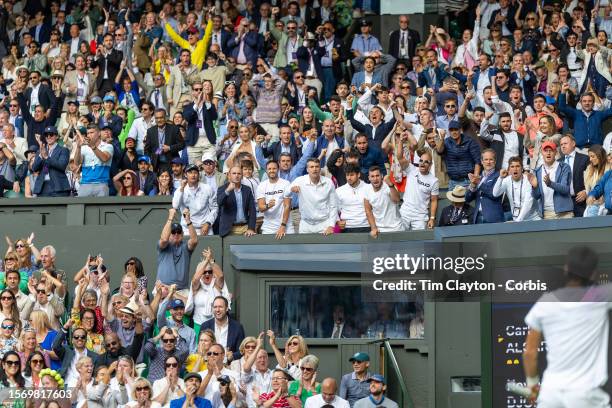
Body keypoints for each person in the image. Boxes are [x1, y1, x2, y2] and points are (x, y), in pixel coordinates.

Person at [522, 247, 611, 407]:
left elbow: (529, 353)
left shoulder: (545, 303)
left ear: (566, 268)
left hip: (550, 395)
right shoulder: (602, 296)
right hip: (585, 395)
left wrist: (533, 387)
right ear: (593, 273)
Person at [284, 158, 338, 235]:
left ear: (320, 168)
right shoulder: (300, 180)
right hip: (305, 225)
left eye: (317, 166)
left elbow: (333, 206)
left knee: (326, 247)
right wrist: (291, 189)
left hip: (324, 224)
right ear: (307, 169)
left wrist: (331, 226)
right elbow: (285, 193)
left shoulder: (329, 182)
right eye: (311, 167)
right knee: (304, 247)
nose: (314, 169)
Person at [156, 208, 198, 292]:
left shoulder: (185, 247)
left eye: (178, 232)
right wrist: (170, 217)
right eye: (173, 231)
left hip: (181, 290)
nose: (176, 234)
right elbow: (164, 239)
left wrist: (188, 220)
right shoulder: (164, 245)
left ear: (182, 234)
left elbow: (194, 241)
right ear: (169, 233)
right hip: (163, 289)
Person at [529, 141, 574, 220]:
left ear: (556, 152)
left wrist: (550, 184)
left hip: (564, 213)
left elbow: (565, 189)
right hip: (547, 213)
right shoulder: (537, 171)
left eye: (551, 150)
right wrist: (535, 187)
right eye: (545, 151)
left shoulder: (564, 167)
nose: (548, 153)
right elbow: (536, 196)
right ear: (541, 153)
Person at [172, 164, 218, 236]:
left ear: (198, 175)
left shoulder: (207, 188)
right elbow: (175, 206)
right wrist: (181, 188)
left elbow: (214, 208)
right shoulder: (180, 189)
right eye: (190, 172)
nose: (193, 175)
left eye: (195, 172)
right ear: (185, 175)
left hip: (205, 228)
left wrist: (208, 223)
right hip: (187, 228)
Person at [400, 151, 439, 230]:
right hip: (404, 213)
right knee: (400, 238)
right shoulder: (411, 169)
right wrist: (401, 141)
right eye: (421, 161)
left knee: (420, 240)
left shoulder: (434, 181)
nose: (422, 163)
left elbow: (434, 200)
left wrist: (432, 218)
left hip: (420, 216)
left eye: (426, 162)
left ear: (430, 165)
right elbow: (399, 157)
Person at [493, 157, 540, 222]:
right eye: (512, 166)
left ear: (522, 168)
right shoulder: (506, 180)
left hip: (532, 219)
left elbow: (528, 203)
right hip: (517, 220)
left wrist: (518, 221)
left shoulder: (528, 179)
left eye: (517, 166)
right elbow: (495, 193)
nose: (515, 169)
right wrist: (500, 178)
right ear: (509, 169)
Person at [199, 296, 245, 363]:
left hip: (230, 365)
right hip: (209, 364)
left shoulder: (237, 327)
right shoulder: (205, 326)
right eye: (215, 307)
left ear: (226, 308)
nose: (217, 310)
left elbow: (241, 350)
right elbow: (200, 347)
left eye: (220, 307)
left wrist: (232, 356)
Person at [465, 149, 504, 224]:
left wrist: (479, 183)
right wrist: (473, 185)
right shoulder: (479, 177)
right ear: (482, 162)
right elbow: (467, 199)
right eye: (486, 159)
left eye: (491, 159)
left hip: (493, 218)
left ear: (495, 161)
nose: (488, 162)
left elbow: (494, 194)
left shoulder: (500, 176)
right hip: (478, 218)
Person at [217, 166, 257, 237]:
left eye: (239, 173)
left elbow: (252, 210)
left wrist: (251, 228)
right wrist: (228, 190)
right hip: (229, 229)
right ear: (229, 175)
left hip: (245, 228)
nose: (236, 176)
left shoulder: (247, 190)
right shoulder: (222, 189)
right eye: (234, 173)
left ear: (242, 176)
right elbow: (219, 203)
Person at [257, 160, 294, 236]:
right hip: (268, 227)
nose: (271, 171)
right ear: (266, 170)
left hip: (286, 225)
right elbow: (260, 207)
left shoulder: (286, 183)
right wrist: (268, 206)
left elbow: (287, 206)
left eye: (274, 168)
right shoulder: (262, 185)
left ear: (278, 169)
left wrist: (283, 225)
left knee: (290, 248)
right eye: (269, 169)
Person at [74, 125, 113, 197]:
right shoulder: (84, 148)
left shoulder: (108, 146)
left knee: (101, 208)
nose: (89, 135)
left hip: (101, 184)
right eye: (88, 133)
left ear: (99, 134)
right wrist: (78, 148)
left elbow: (104, 158)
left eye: (91, 132)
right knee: (81, 207)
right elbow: (77, 163)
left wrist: (93, 146)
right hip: (85, 184)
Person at [364, 166, 403, 238]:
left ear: (381, 176)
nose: (375, 179)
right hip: (380, 230)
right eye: (372, 176)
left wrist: (390, 185)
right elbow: (368, 210)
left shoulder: (389, 186)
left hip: (396, 228)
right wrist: (373, 228)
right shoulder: (367, 190)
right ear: (369, 178)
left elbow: (397, 200)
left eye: (377, 176)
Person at [31, 126, 70, 197]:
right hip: (42, 187)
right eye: (46, 135)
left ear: (57, 136)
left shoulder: (63, 150)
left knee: (59, 208)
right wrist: (41, 156)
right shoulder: (40, 150)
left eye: (51, 134)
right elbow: (34, 168)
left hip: (58, 186)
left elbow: (62, 166)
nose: (48, 137)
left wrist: (46, 157)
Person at [559, 134, 589, 217]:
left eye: (565, 143)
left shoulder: (585, 159)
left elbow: (592, 178)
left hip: (581, 201)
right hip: (564, 202)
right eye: (561, 144)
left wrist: (586, 191)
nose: (563, 146)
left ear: (573, 143)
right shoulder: (558, 163)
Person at [336, 164, 370, 233]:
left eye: (352, 175)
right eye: (347, 175)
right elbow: (334, 209)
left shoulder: (369, 188)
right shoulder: (339, 191)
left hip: (366, 226)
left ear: (358, 175)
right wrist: (337, 221)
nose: (349, 178)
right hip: (347, 227)